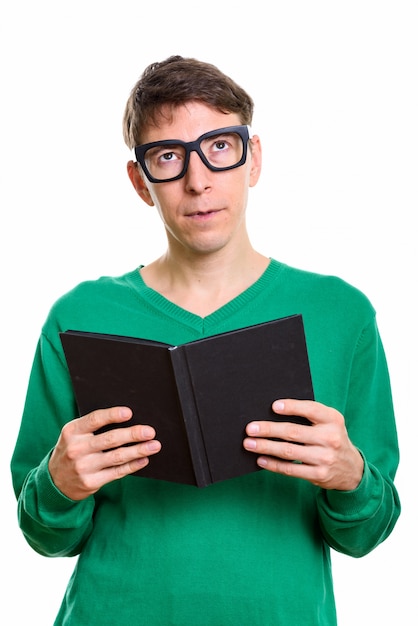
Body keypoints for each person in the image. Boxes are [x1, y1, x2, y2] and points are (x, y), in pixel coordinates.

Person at [11, 55, 400, 625]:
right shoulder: (79, 317)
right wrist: (58, 484)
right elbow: (44, 535)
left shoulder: (341, 314)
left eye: (219, 146)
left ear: (254, 158)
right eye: (168, 156)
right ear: (141, 181)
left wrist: (351, 476)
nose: (198, 180)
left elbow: (368, 532)